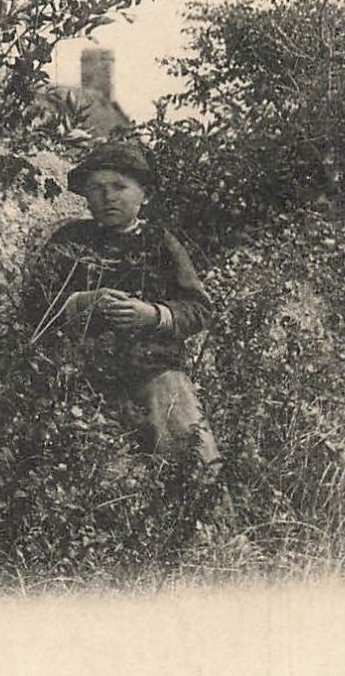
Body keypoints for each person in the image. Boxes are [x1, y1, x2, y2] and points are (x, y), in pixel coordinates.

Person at [23, 142, 221, 469]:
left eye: (119, 187)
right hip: (80, 369)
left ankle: (200, 504)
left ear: (144, 194)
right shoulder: (69, 241)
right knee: (89, 463)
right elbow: (33, 306)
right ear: (85, 195)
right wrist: (81, 303)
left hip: (153, 370)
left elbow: (199, 308)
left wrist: (154, 315)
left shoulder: (160, 243)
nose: (108, 197)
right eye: (97, 188)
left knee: (189, 452)